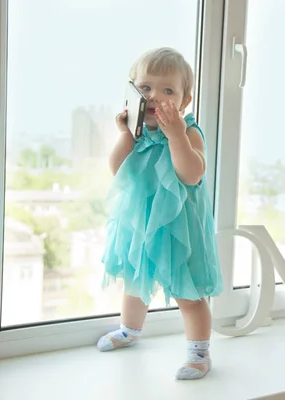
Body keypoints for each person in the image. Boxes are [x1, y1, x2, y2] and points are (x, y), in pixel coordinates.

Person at [96, 47, 223, 381]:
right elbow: (117, 169)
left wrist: (177, 135)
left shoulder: (188, 131)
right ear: (133, 93)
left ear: (184, 102)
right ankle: (130, 329)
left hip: (178, 227)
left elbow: (192, 174)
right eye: (146, 88)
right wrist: (126, 134)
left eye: (168, 91)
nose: (155, 97)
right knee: (135, 281)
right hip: (140, 224)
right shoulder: (137, 133)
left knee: (189, 292)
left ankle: (199, 353)